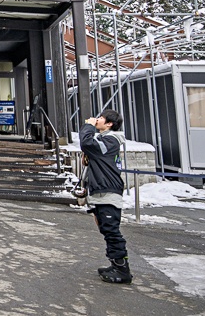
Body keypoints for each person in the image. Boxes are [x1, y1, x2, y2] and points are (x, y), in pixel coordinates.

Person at [81, 110, 131, 284]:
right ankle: (115, 264)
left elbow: (86, 143)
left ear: (109, 123)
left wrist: (88, 126)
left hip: (108, 192)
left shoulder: (111, 140)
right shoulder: (104, 140)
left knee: (111, 231)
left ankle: (122, 270)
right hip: (101, 191)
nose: (97, 119)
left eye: (101, 118)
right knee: (106, 229)